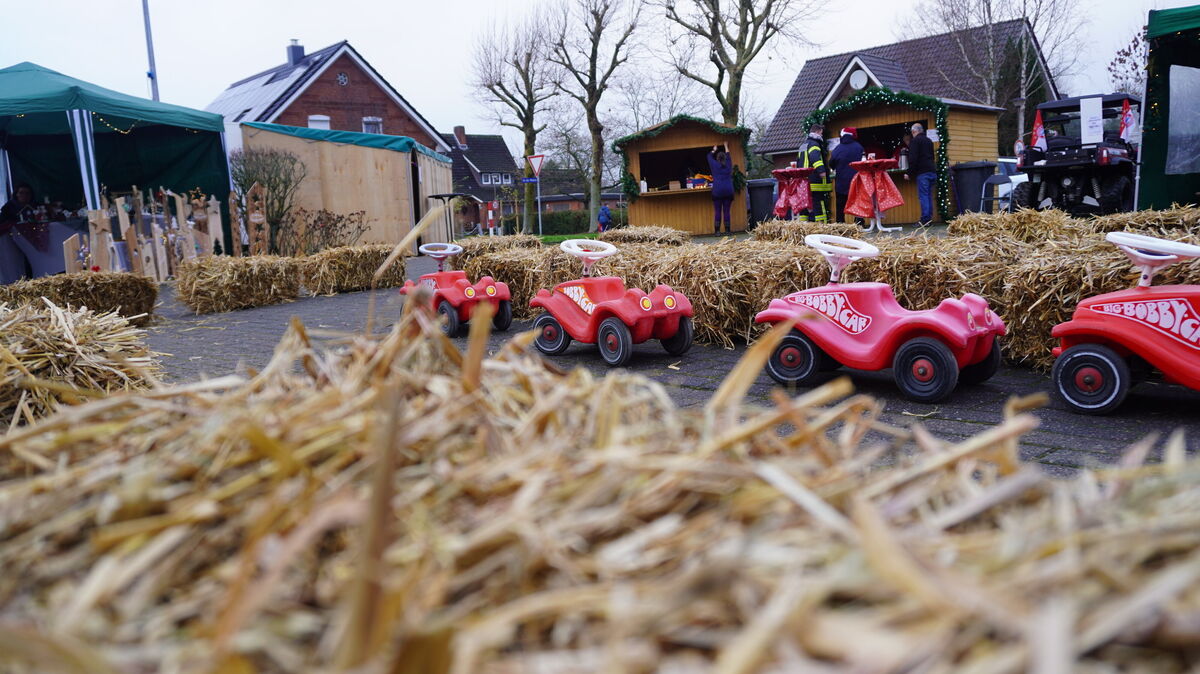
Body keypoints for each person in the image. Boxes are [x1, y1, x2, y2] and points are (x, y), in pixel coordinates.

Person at [903, 123, 937, 225]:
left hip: (923, 173)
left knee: (923, 196)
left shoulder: (915, 141)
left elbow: (913, 159)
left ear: (914, 131)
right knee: (928, 196)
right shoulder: (929, 141)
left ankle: (925, 220)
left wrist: (909, 173)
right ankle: (929, 218)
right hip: (932, 171)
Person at [829, 128, 864, 225]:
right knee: (857, 202)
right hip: (856, 181)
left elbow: (831, 164)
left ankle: (840, 225)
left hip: (841, 182)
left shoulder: (837, 149)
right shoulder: (859, 147)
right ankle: (859, 223)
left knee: (840, 205)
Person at [798, 123, 832, 222]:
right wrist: (821, 171)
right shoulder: (815, 144)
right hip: (815, 179)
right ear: (817, 132)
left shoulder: (803, 145)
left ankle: (804, 224)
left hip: (804, 180)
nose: (822, 135)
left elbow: (798, 161)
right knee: (818, 201)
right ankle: (821, 225)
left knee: (805, 203)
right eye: (821, 133)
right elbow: (815, 158)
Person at [707, 142, 735, 235]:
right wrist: (726, 145)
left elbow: (708, 156)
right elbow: (728, 154)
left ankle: (717, 231)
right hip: (728, 190)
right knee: (726, 211)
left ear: (717, 159)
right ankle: (727, 231)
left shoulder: (714, 165)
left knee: (717, 211)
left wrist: (714, 150)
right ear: (725, 159)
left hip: (717, 191)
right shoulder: (728, 164)